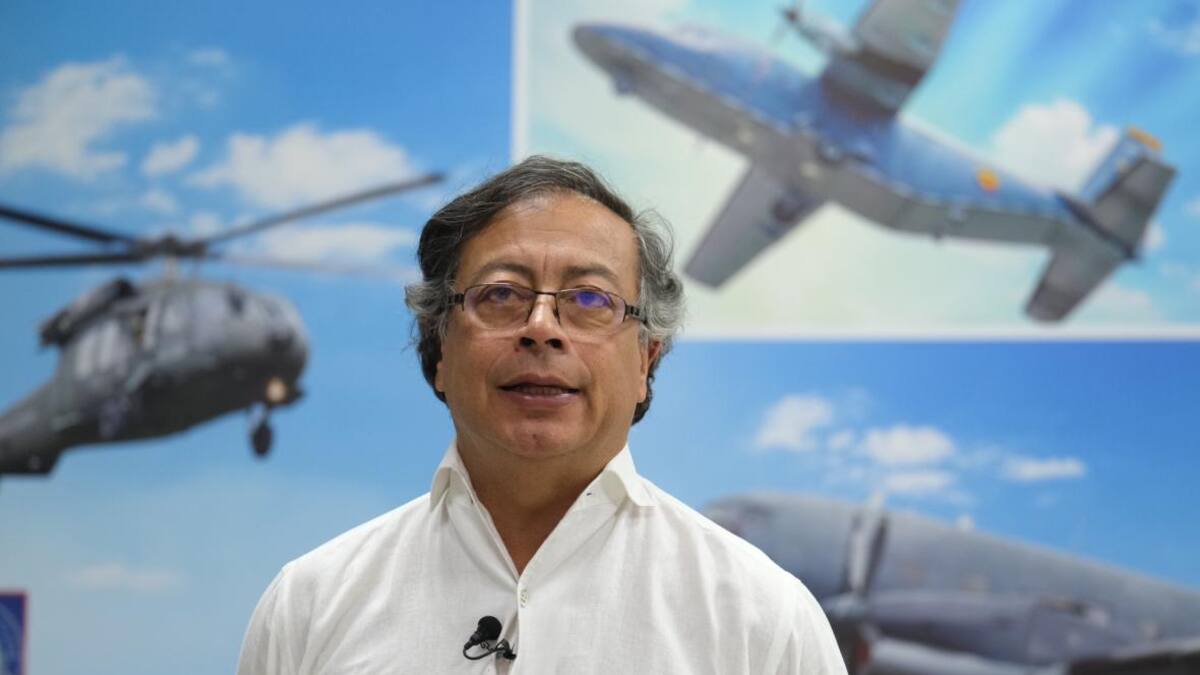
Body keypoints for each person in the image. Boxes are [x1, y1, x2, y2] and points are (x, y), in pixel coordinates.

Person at [236, 156, 847, 674]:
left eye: (590, 298)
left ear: (645, 360)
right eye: (501, 294)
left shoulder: (764, 620)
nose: (541, 328)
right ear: (440, 348)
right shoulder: (310, 605)